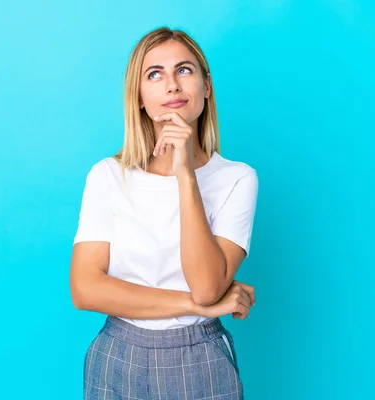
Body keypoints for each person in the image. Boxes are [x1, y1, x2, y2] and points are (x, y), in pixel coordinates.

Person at [70, 26, 259, 400]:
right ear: (139, 97)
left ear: (206, 87)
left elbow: (207, 286)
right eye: (154, 74)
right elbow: (85, 289)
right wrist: (191, 304)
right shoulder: (108, 175)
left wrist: (185, 173)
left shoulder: (238, 178)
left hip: (199, 356)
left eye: (184, 70)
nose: (172, 85)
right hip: (117, 354)